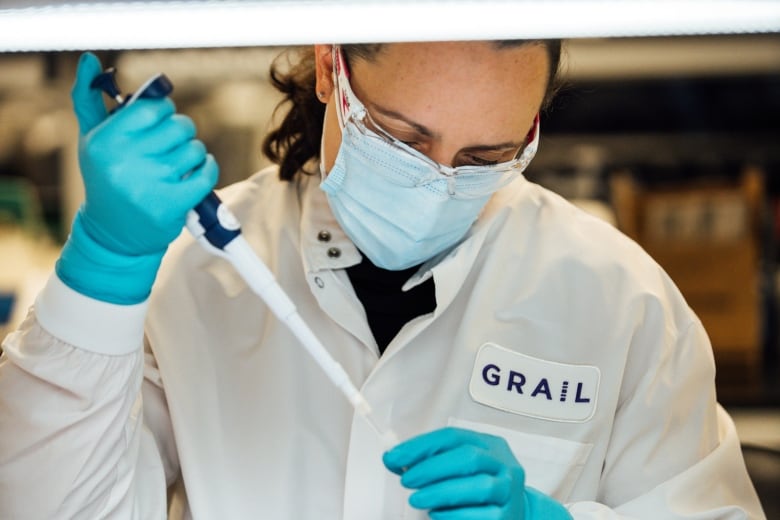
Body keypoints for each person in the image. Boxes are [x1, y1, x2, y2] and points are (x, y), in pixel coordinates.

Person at [0, 40, 766, 519]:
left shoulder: (620, 299)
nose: (438, 183)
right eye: (404, 138)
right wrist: (105, 266)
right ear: (332, 68)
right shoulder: (191, 276)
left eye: (484, 156)